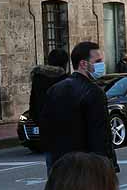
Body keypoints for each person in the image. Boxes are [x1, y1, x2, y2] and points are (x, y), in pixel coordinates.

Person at [39, 42, 117, 171]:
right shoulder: (93, 92)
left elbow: (46, 128)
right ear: (83, 64)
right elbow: (100, 135)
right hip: (87, 166)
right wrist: (108, 166)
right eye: (98, 61)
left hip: (61, 164)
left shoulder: (55, 89)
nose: (102, 64)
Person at [29, 49, 70, 128]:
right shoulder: (65, 79)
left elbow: (33, 103)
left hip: (43, 123)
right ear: (65, 63)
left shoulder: (38, 79)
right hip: (62, 125)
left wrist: (37, 120)